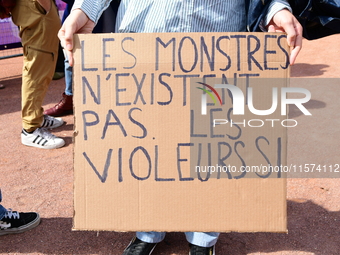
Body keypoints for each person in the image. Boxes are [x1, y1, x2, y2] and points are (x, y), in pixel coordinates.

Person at [59, 1, 303, 254]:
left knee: (211, 147)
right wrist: (84, 10)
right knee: (147, 147)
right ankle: (148, 228)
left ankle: (203, 237)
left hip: (216, 44)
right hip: (140, 45)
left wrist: (275, 8)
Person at [44, 0, 119, 117]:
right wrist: (83, 10)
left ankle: (111, 101)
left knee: (115, 56)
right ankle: (70, 98)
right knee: (72, 56)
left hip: (117, 13)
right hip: (82, 11)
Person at [10, 0, 65, 149]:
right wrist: (44, 5)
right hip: (34, 6)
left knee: (44, 66)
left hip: (36, 6)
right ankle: (30, 129)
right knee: (36, 70)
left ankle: (37, 117)